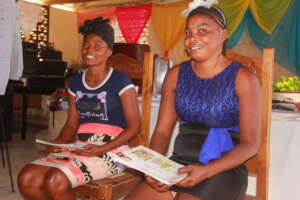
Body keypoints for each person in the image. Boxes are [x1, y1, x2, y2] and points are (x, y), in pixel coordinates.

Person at [125, 1, 262, 200]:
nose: (192, 39)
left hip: (222, 170)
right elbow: (162, 131)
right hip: (178, 165)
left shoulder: (243, 78)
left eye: (202, 30)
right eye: (189, 33)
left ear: (223, 35)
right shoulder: (175, 75)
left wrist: (205, 171)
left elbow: (250, 144)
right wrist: (153, 167)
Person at [17, 17, 140, 200]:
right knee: (26, 178)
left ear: (109, 52)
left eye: (97, 46)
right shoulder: (75, 82)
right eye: (86, 45)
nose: (89, 50)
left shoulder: (120, 81)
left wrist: (101, 149)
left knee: (55, 181)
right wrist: (58, 144)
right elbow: (72, 123)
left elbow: (134, 127)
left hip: (111, 151)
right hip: (80, 147)